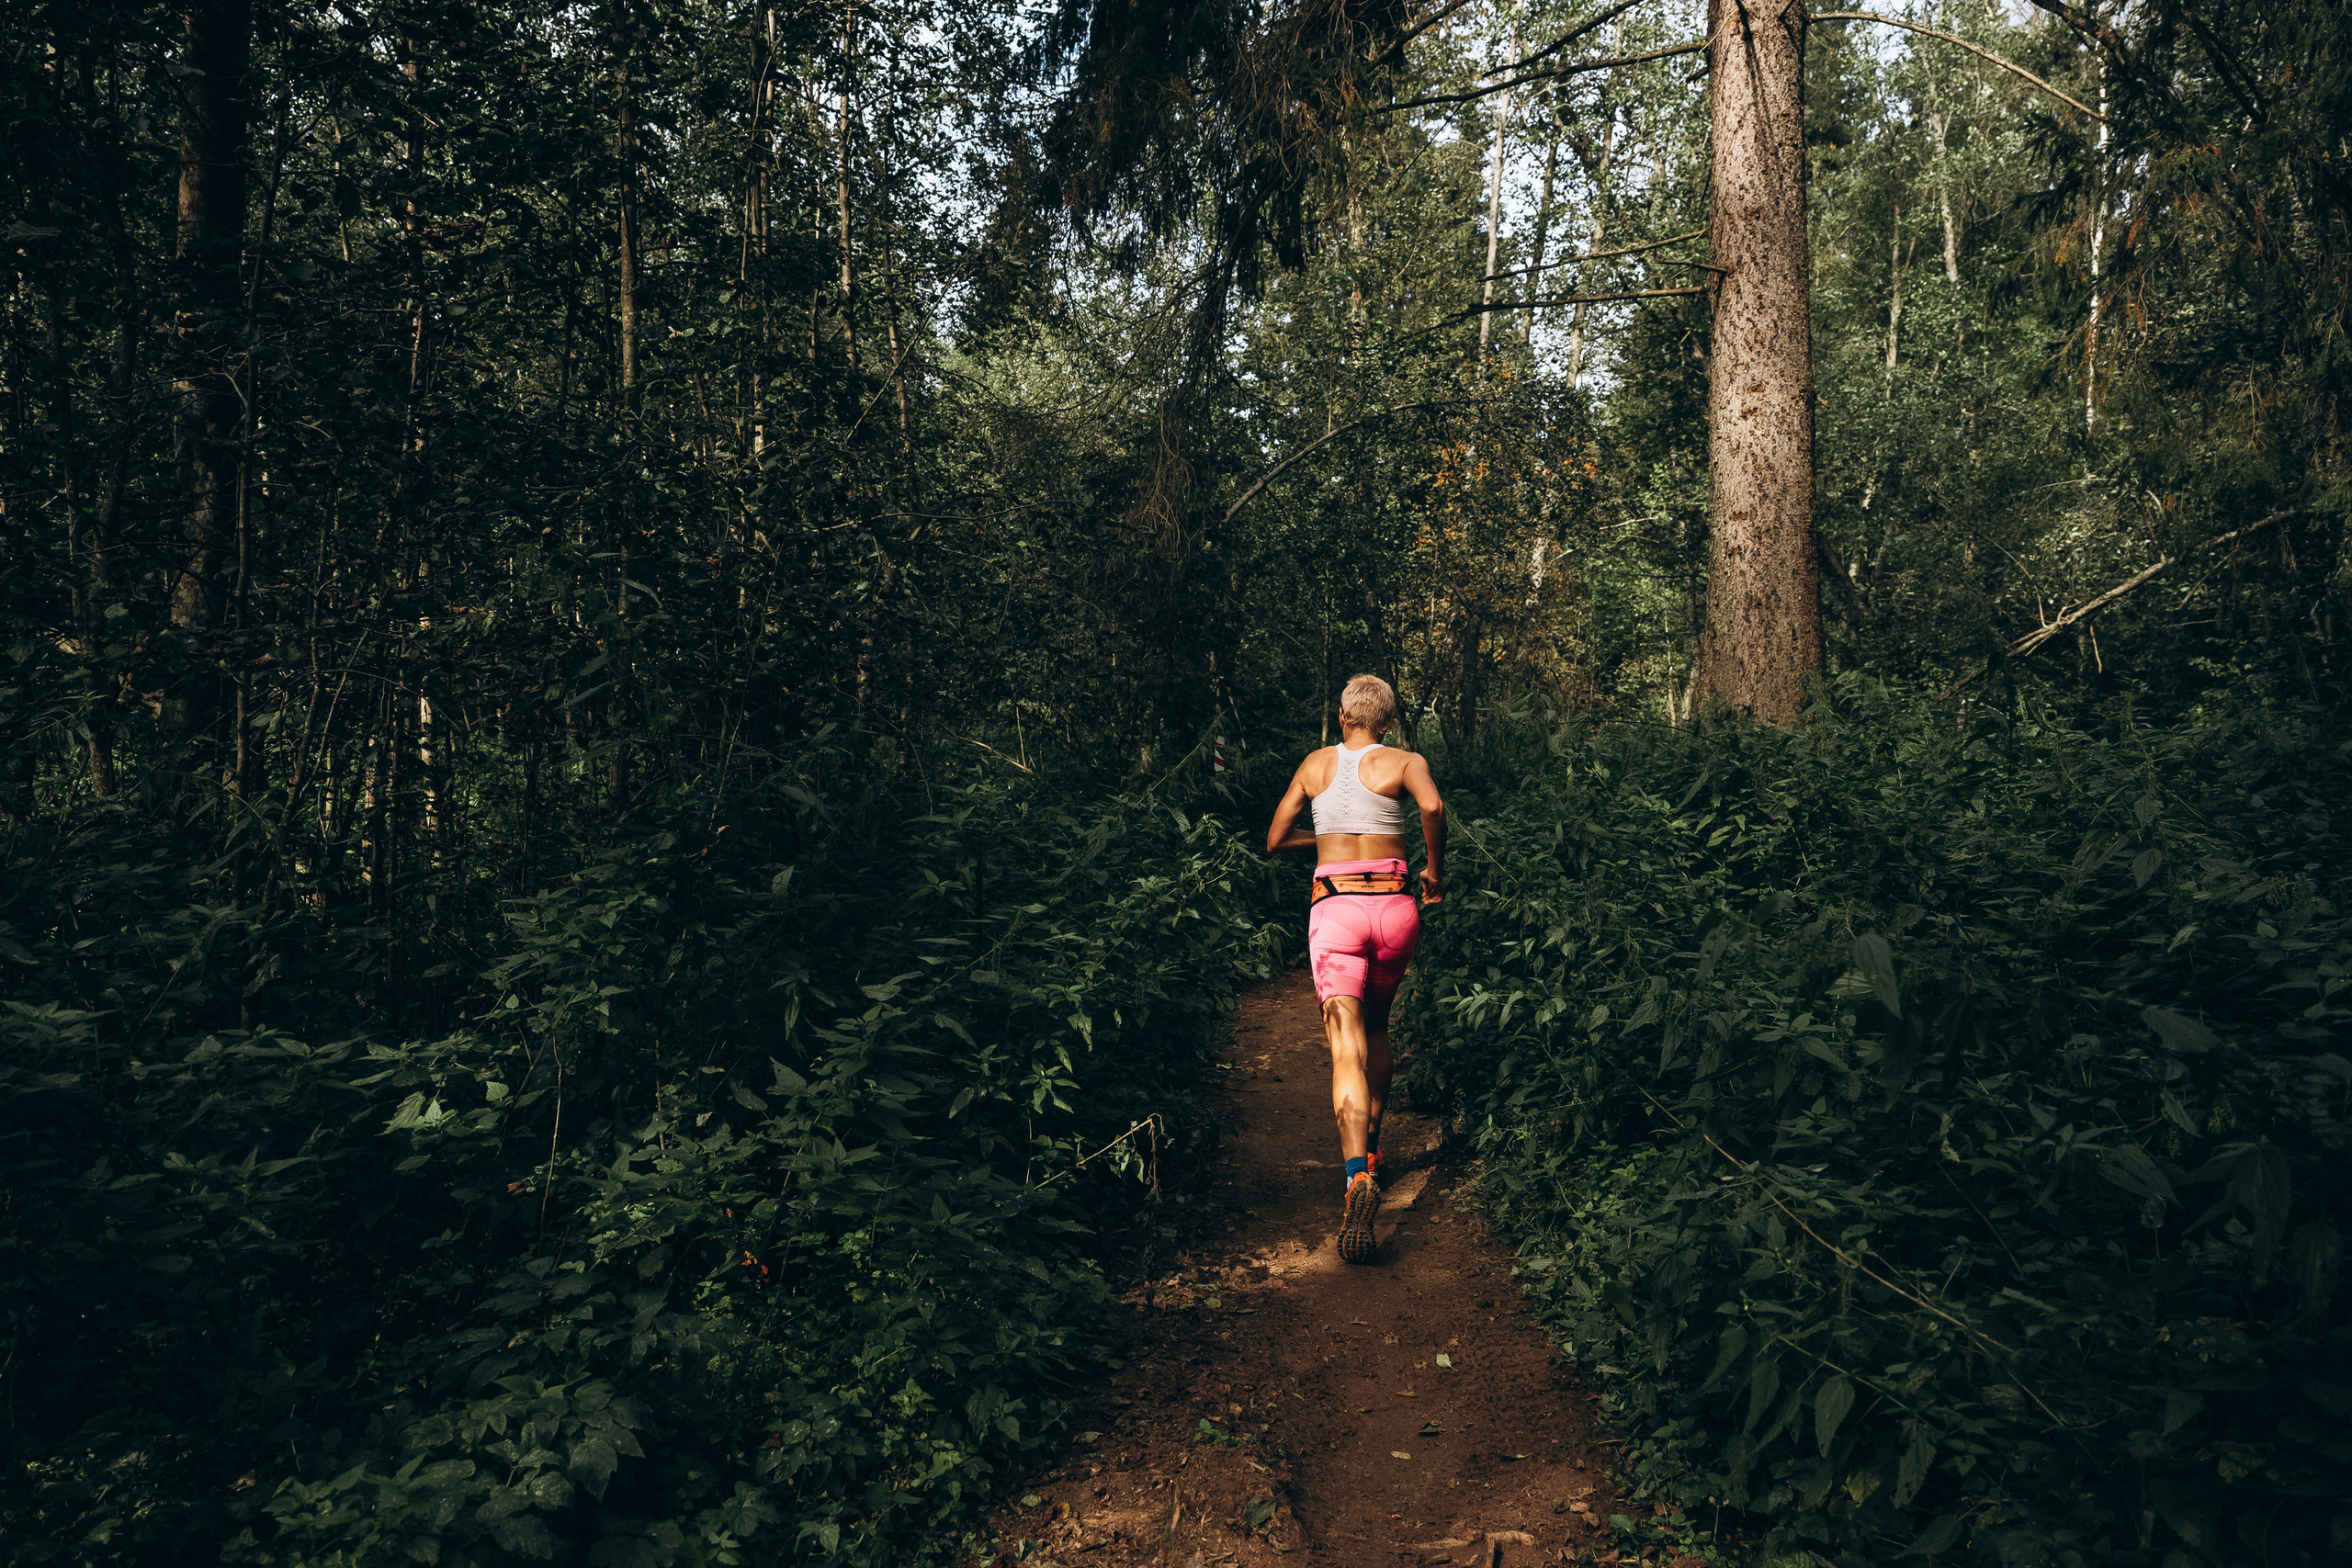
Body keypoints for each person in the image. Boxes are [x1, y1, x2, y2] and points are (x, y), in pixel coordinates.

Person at [1263, 674, 1446, 1264]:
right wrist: (1434, 871)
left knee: (1346, 1048)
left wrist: (1326, 841)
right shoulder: (1406, 761)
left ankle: (1355, 1176)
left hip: (1336, 910)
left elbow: (1275, 838)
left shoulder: (1315, 765)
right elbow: (1432, 806)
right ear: (1387, 722)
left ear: (1343, 715)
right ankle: (1374, 1149)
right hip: (1394, 909)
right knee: (1378, 1028)